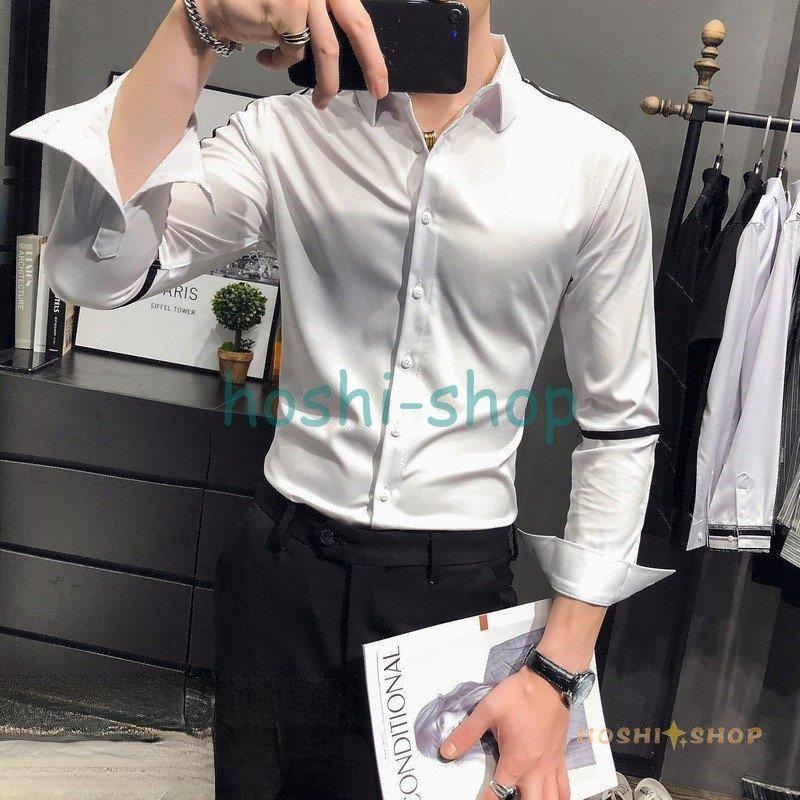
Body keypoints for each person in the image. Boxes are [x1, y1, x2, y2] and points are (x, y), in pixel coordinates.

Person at [11, 1, 674, 798]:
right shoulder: (285, 132)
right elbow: (94, 270)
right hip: (281, 569)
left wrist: (559, 671)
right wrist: (197, 25)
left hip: (452, 589)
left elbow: (620, 426)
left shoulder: (589, 160)